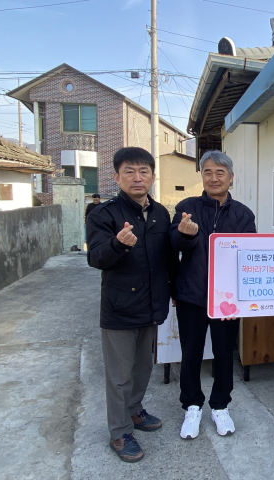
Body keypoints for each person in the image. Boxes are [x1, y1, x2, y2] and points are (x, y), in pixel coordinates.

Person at [86, 147, 178, 463]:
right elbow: (95, 257)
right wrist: (117, 244)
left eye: (143, 171)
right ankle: (119, 431)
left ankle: (135, 410)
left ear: (152, 176)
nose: (137, 178)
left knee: (142, 369)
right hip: (120, 308)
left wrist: (175, 292)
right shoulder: (104, 214)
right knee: (119, 375)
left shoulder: (161, 213)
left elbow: (167, 259)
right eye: (129, 171)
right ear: (117, 176)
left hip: (152, 305)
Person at [170, 150, 256, 440]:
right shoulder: (187, 207)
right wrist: (185, 234)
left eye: (221, 173)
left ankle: (220, 405)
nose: (214, 177)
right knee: (191, 354)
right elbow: (173, 243)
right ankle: (192, 405)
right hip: (192, 296)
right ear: (202, 176)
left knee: (223, 354)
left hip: (228, 301)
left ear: (231, 178)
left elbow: (250, 257)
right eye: (208, 172)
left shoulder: (244, 214)